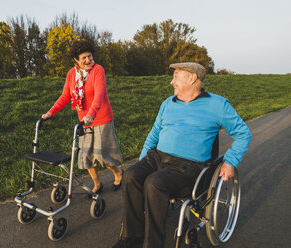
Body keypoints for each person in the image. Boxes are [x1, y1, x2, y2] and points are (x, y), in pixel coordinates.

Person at [112, 62, 252, 248]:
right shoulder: (168, 103)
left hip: (188, 166)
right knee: (131, 175)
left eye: (176, 76)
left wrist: (230, 162)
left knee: (154, 183)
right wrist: (143, 159)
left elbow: (243, 134)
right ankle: (132, 237)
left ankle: (152, 244)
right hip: (158, 157)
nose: (172, 82)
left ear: (192, 78)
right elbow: (154, 133)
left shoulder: (217, 105)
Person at [41, 40, 123, 196]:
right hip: (84, 121)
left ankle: (118, 174)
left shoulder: (98, 70)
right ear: (76, 60)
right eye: (84, 57)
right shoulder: (72, 74)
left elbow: (99, 95)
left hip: (101, 118)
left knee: (103, 156)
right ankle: (97, 184)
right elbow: (66, 96)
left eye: (90, 56)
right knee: (86, 157)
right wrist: (51, 112)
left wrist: (91, 114)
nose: (88, 60)